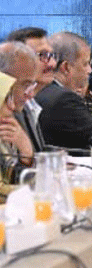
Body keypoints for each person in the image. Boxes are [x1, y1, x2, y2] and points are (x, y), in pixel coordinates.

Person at [35, 31, 92, 150]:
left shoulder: (42, 91)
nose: (89, 70)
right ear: (66, 67)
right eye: (86, 64)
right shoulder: (63, 99)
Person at [5, 26, 56, 152]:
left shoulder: (29, 103)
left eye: (51, 55)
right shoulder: (9, 107)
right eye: (42, 55)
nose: (52, 63)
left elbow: (37, 151)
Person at [0, 41, 40, 189]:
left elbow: (12, 177)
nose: (30, 95)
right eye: (25, 85)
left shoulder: (14, 116)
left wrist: (27, 155)